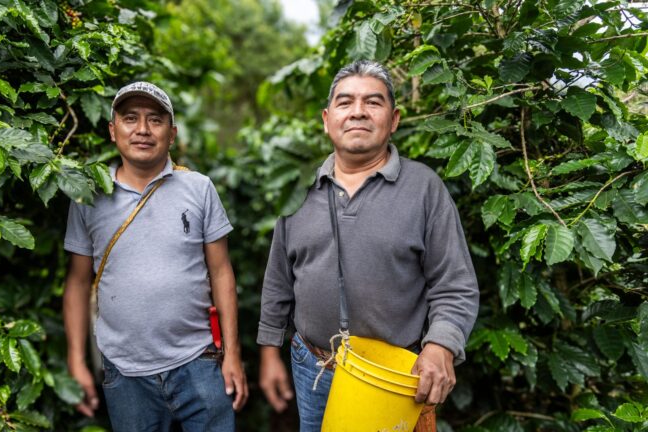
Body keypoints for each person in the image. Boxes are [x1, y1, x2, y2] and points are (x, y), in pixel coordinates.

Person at [257, 60, 479, 431]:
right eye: (345, 102)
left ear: (393, 119)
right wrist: (268, 352)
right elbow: (279, 280)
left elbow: (454, 284)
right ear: (327, 119)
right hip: (311, 366)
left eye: (373, 102)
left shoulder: (424, 188)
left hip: (393, 377)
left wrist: (441, 345)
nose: (358, 111)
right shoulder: (299, 190)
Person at [63, 81, 247, 431]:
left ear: (172, 133)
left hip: (199, 361)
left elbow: (222, 272)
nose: (143, 130)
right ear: (113, 130)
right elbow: (77, 280)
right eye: (130, 118)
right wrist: (76, 360)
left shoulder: (199, 188)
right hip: (125, 371)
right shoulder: (89, 194)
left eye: (155, 120)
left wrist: (233, 355)